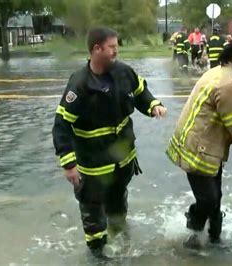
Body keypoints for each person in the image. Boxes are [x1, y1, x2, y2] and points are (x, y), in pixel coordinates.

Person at [52, 27, 167, 258]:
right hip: (93, 165)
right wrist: (68, 164)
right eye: (112, 47)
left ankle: (121, 244)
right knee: (93, 216)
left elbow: (140, 91)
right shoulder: (80, 84)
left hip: (122, 160)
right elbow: (61, 124)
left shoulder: (124, 72)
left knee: (118, 207)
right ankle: (97, 255)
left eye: (117, 47)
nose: (117, 51)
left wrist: (153, 105)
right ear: (97, 49)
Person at [166, 37, 232, 249]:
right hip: (199, 149)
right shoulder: (229, 83)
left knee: (216, 195)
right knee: (209, 199)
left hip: (203, 144)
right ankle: (193, 237)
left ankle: (214, 237)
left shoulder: (222, 72)